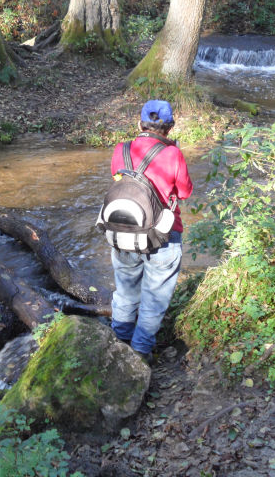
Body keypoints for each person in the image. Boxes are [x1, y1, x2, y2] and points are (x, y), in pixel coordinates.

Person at [109, 99, 193, 362]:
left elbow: (119, 181)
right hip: (163, 237)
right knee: (154, 300)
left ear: (139, 123)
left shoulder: (120, 150)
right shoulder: (173, 154)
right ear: (169, 128)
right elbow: (186, 192)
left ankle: (117, 341)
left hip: (122, 230)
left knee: (124, 292)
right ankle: (140, 352)